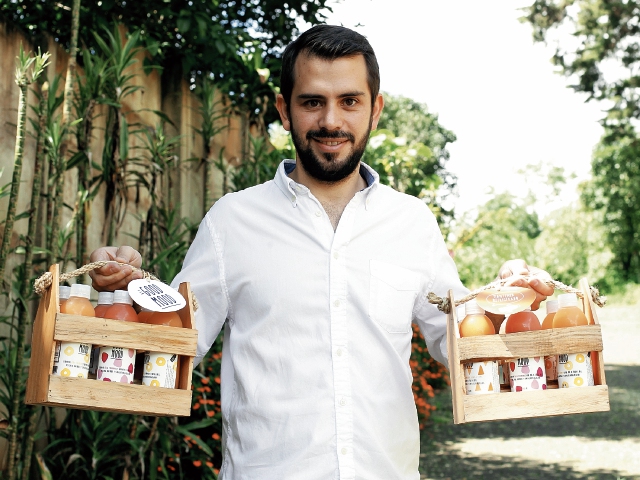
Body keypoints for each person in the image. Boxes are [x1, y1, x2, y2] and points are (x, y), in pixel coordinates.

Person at [90, 25, 553, 480]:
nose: (331, 120)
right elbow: (179, 338)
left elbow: (459, 338)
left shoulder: (412, 223)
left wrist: (509, 300)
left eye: (349, 101)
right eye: (313, 101)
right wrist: (132, 287)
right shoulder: (232, 221)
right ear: (284, 110)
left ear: (375, 111)